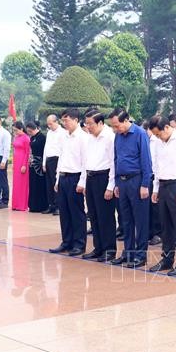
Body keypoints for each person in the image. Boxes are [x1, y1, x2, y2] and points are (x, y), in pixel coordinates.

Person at [148, 115, 176, 276]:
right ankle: (167, 259)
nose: (158, 137)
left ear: (167, 128)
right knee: (165, 226)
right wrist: (155, 189)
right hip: (163, 185)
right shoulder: (159, 143)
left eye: (159, 134)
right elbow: (157, 167)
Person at [110, 108, 152, 268]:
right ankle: (128, 252)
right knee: (125, 219)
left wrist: (144, 184)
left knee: (140, 220)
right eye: (113, 126)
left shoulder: (140, 134)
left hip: (137, 180)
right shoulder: (118, 136)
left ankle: (140, 255)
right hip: (122, 182)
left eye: (117, 125)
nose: (115, 129)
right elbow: (116, 159)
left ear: (126, 120)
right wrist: (115, 182)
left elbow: (146, 161)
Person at [48, 108, 89, 257]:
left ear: (76, 120)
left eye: (67, 120)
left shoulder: (83, 138)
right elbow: (62, 158)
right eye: (63, 120)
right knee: (64, 212)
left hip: (75, 177)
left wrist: (82, 181)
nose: (64, 123)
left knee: (76, 212)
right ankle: (66, 242)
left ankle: (79, 244)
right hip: (63, 176)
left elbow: (86, 162)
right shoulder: (64, 137)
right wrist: (58, 179)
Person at [81, 110, 117, 263]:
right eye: (86, 123)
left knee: (105, 216)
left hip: (104, 177)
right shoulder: (89, 138)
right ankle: (98, 247)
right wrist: (83, 182)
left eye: (90, 124)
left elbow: (113, 163)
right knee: (93, 215)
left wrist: (110, 186)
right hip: (90, 177)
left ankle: (109, 249)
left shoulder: (110, 137)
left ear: (101, 123)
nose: (88, 127)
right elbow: (85, 161)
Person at [143, 120, 162, 246]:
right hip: (148, 176)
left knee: (156, 208)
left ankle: (158, 233)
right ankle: (149, 232)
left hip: (157, 176)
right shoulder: (147, 141)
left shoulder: (158, 141)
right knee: (148, 206)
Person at [42, 114, 64, 215]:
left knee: (56, 184)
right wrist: (44, 162)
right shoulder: (49, 133)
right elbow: (46, 147)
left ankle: (59, 206)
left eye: (50, 124)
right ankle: (51, 205)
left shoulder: (63, 132)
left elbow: (63, 150)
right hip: (49, 159)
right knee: (49, 184)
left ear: (56, 122)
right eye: (48, 124)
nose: (49, 126)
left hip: (57, 160)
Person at [25, 121, 48, 213]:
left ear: (34, 129)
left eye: (30, 131)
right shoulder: (33, 138)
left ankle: (41, 205)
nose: (29, 133)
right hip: (33, 163)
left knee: (40, 184)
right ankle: (33, 205)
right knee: (33, 184)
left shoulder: (42, 137)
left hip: (39, 164)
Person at [11, 121, 30, 212]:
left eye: (16, 130)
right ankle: (15, 204)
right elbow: (14, 150)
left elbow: (27, 152)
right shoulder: (16, 137)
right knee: (16, 184)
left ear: (21, 129)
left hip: (22, 161)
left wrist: (24, 165)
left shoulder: (26, 138)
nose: (15, 132)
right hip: (16, 161)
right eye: (14, 130)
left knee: (22, 184)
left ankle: (22, 205)